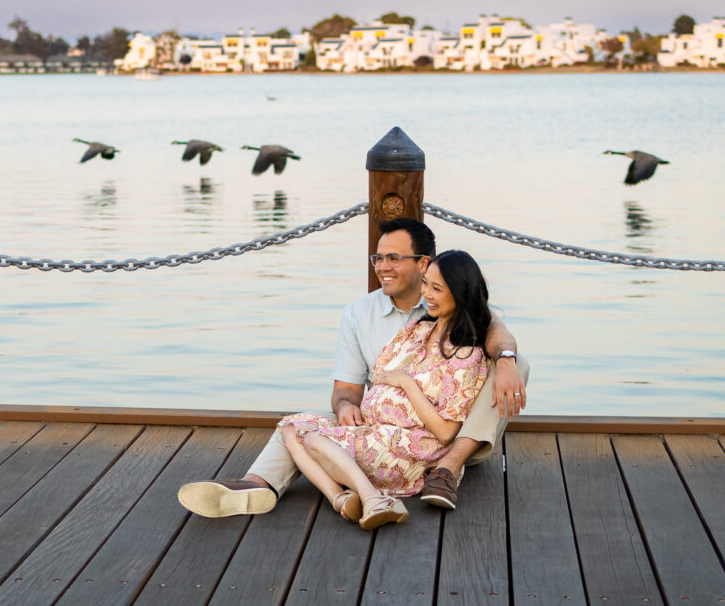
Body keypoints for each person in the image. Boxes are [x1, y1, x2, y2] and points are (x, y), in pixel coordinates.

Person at [177, 218, 528, 517]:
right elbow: (345, 390)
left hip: (431, 437)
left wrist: (507, 360)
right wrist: (346, 408)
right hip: (377, 426)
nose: (382, 267)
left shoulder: (446, 299)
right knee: (297, 424)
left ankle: (448, 467)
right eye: (378, 257)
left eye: (394, 258)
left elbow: (491, 326)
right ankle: (257, 486)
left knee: (514, 360)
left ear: (423, 263)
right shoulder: (361, 314)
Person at [278, 249, 491, 529]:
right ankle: (340, 499)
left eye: (437, 288)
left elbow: (445, 431)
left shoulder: (465, 355)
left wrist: (407, 383)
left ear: (460, 294)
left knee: (316, 441)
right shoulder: (417, 330)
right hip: (375, 430)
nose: (427, 293)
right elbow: (381, 373)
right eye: (426, 283)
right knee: (290, 428)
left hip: (411, 448)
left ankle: (371, 497)